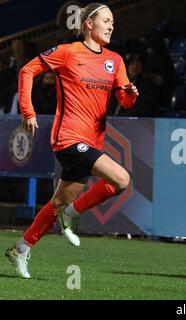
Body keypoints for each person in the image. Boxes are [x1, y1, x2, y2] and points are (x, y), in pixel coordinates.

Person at [5, 3, 139, 279]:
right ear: (89, 23)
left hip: (92, 141)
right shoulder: (67, 52)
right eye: (106, 20)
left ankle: (20, 249)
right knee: (121, 179)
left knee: (56, 204)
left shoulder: (115, 60)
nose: (112, 25)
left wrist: (131, 94)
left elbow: (124, 101)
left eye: (113, 21)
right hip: (68, 138)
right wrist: (28, 111)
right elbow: (27, 71)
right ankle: (74, 212)